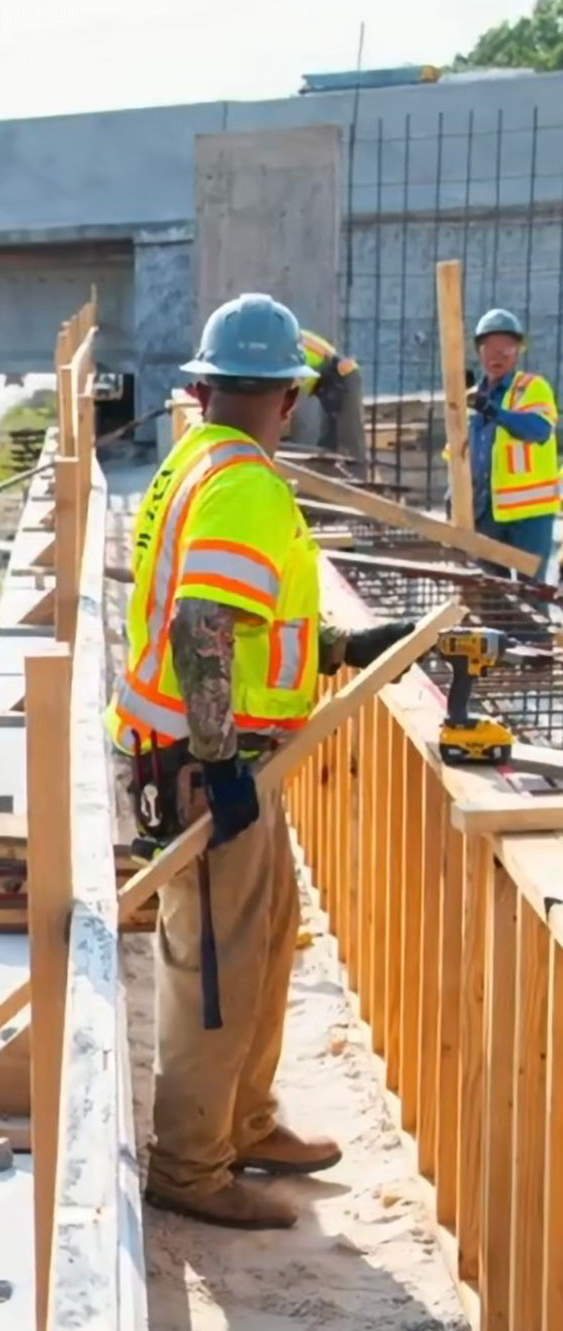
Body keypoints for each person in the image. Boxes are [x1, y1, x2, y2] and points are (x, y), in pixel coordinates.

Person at [107, 293, 414, 1230]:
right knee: (216, 970)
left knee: (264, 940)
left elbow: (238, 622)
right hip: (207, 760)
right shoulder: (245, 484)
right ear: (287, 399)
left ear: (201, 389)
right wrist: (220, 763)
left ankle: (246, 1120)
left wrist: (329, 647)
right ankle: (191, 1168)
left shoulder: (194, 462)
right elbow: (204, 624)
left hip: (211, 749)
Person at [468, 308, 557, 583]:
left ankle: (534, 629)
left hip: (529, 515)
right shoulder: (470, 399)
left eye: (505, 347)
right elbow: (457, 455)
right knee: (493, 595)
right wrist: (455, 499)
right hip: (486, 514)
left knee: (532, 593)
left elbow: (538, 430)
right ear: (480, 353)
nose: (498, 355)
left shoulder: (532, 388)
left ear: (518, 351)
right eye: (490, 348)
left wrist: (495, 412)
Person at [294, 328, 368, 462]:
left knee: (350, 435)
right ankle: (328, 462)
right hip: (323, 376)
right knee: (330, 433)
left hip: (340, 372)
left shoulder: (282, 335)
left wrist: (334, 360)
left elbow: (303, 339)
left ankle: (357, 468)